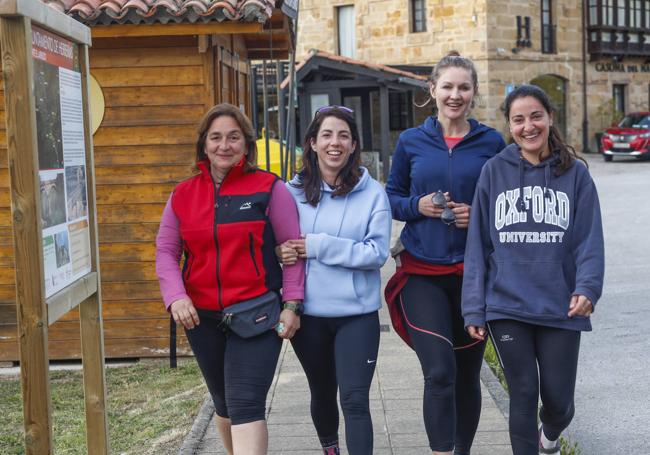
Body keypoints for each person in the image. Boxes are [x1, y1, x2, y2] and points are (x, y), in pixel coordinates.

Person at [462, 84, 604, 454]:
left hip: (560, 305)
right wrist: (474, 307)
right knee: (522, 392)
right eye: (518, 119)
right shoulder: (494, 172)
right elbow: (478, 244)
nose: (528, 126)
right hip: (507, 305)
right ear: (510, 126)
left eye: (535, 116)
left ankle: (550, 437)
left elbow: (589, 238)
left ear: (550, 118)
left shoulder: (575, 175)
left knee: (559, 403)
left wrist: (587, 288)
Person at [155, 103, 305, 455]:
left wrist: (293, 304)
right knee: (223, 402)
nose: (225, 145)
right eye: (216, 137)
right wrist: (176, 296)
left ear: (246, 144)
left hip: (257, 314)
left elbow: (292, 249)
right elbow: (165, 251)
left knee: (245, 402)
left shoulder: (270, 189)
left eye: (233, 137)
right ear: (204, 145)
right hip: (201, 318)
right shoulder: (182, 195)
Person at [384, 52, 506, 455]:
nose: (456, 95)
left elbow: (507, 206)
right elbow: (392, 198)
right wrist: (417, 206)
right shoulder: (410, 141)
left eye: (464, 87)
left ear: (473, 93)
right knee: (439, 372)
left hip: (473, 275)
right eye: (448, 86)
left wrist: (480, 217)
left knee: (468, 376)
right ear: (432, 89)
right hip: (421, 272)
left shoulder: (491, 142)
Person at [276, 106, 391, 455]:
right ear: (312, 143)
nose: (334, 143)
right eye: (326, 135)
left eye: (343, 135)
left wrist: (319, 246)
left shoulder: (373, 194)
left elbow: (376, 253)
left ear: (354, 144)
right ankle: (330, 449)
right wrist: (278, 253)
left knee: (355, 399)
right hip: (309, 314)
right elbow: (275, 245)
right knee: (322, 393)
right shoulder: (288, 193)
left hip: (357, 315)